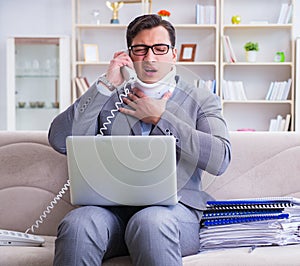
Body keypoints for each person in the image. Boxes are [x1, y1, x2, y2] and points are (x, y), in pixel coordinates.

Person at [49, 14, 231, 266]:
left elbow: (220, 159)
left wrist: (162, 118)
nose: (150, 58)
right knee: (78, 223)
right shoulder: (109, 100)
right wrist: (104, 86)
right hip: (110, 214)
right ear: (129, 56)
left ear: (174, 54)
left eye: (160, 48)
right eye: (140, 49)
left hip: (173, 215)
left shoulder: (201, 99)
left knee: (149, 222)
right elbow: (59, 139)